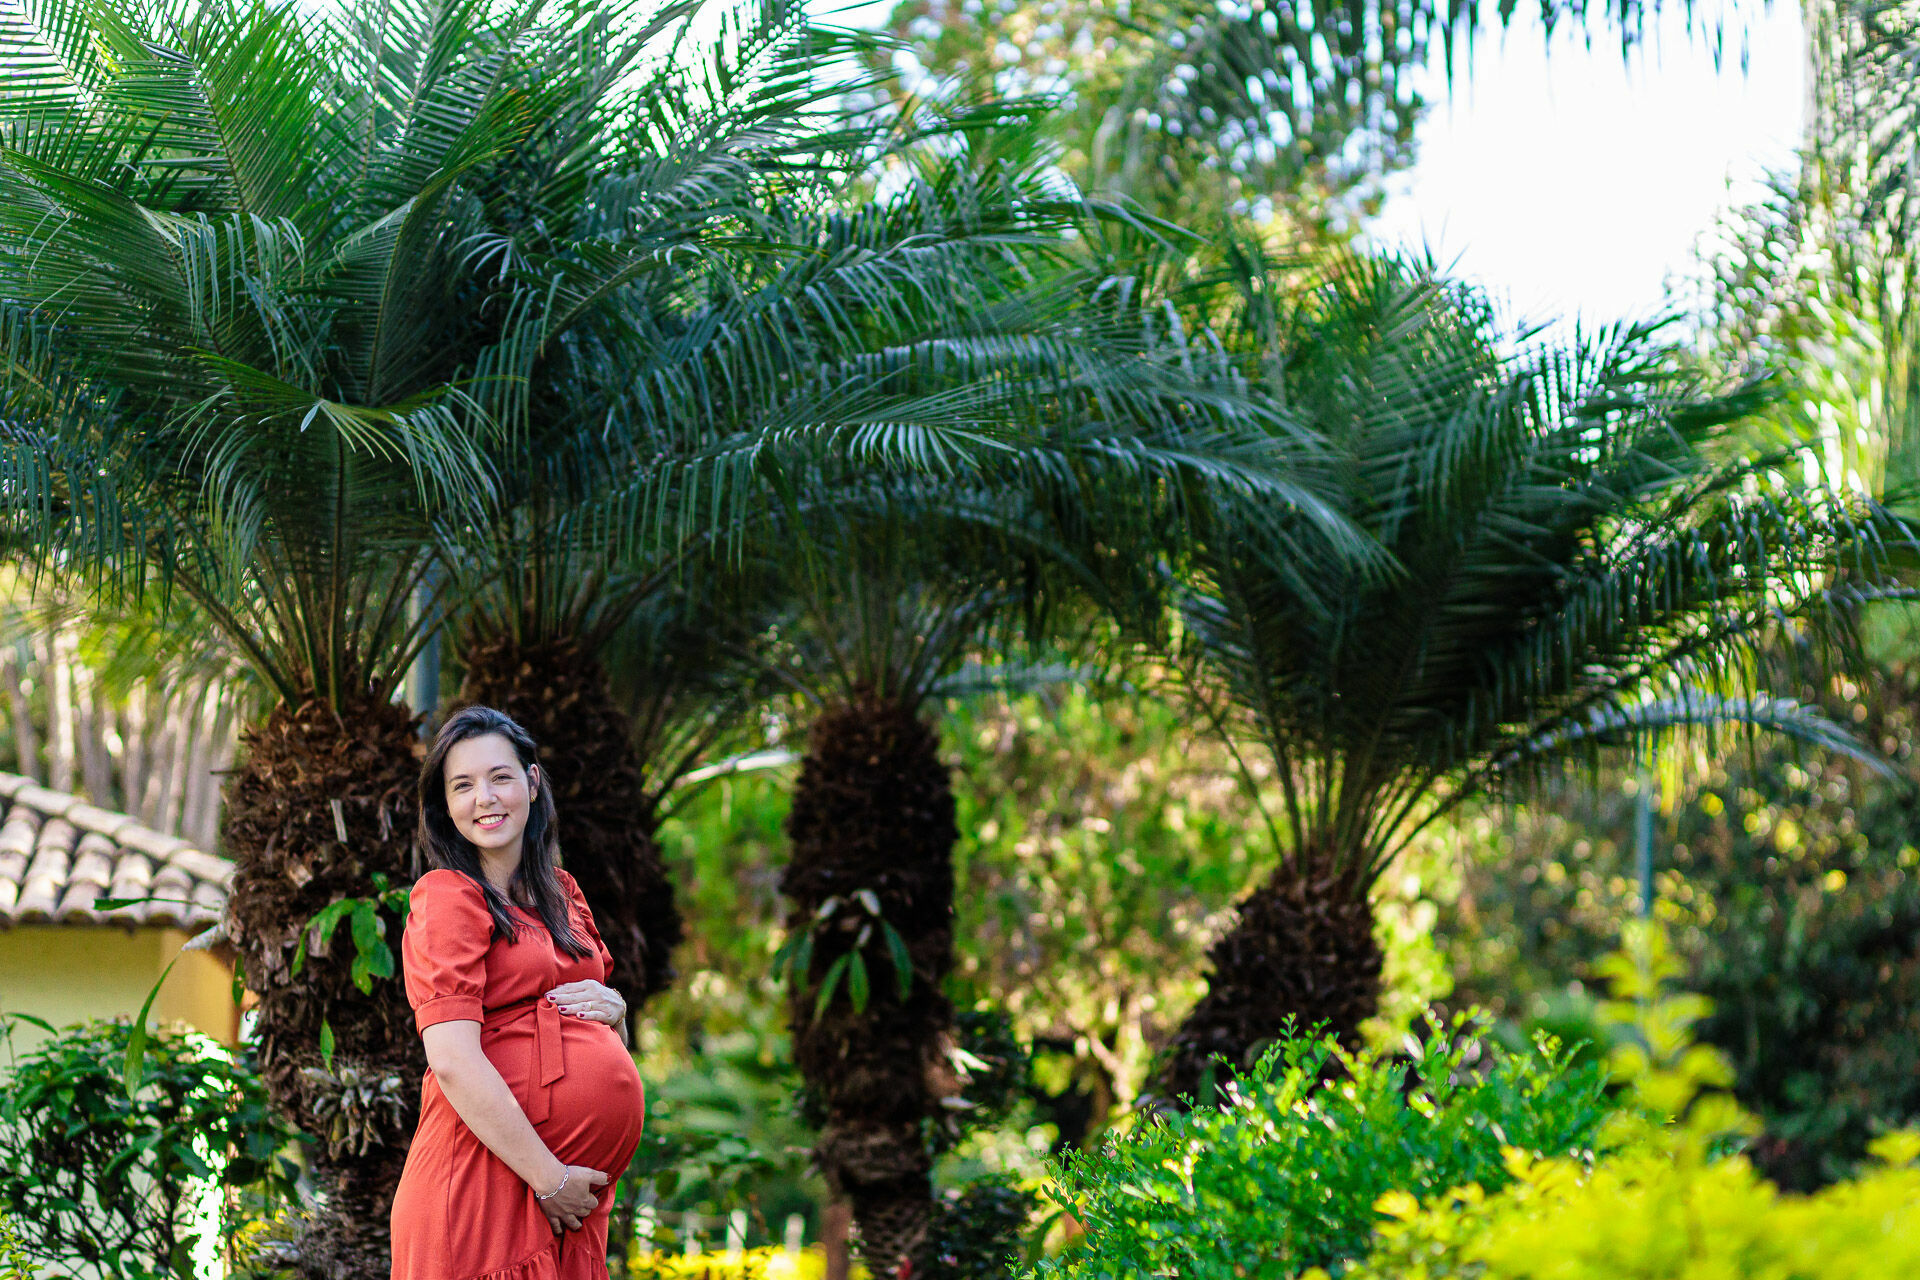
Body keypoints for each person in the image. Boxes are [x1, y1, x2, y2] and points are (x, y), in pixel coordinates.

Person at [391, 706, 647, 1280]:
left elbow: (598, 1041)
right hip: (486, 1185)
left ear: (531, 782)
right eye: (463, 785)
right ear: (446, 805)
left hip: (566, 1203)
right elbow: (452, 1060)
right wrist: (550, 1179)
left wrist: (618, 1017)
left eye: (500, 777)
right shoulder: (448, 895)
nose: (485, 798)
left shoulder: (562, 893)